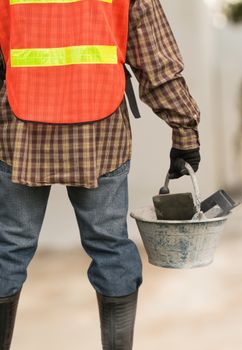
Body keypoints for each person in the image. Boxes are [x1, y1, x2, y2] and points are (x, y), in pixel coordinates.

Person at [0, 0, 201, 349]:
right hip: (99, 128)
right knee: (110, 247)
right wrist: (184, 130)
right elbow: (157, 60)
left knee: (8, 250)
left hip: (21, 130)